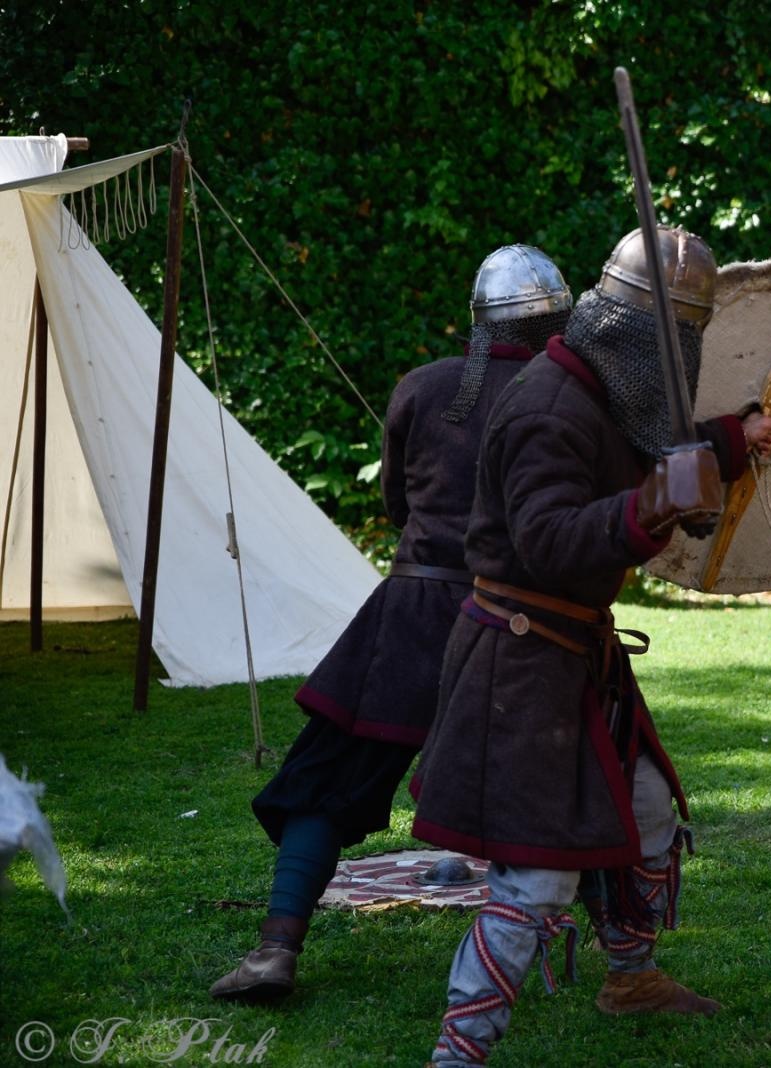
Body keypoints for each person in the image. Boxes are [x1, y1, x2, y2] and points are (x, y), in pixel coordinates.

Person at [411, 227, 771, 1066]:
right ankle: (458, 1054)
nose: (678, 361)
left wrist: (732, 437)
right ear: (633, 334)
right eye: (676, 342)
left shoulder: (603, 388)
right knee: (536, 876)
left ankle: (631, 977)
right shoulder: (549, 409)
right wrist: (653, 503)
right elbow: (548, 538)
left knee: (647, 807)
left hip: (575, 654)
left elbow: (656, 440)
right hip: (521, 660)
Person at [211, 245, 574, 1003]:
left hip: (410, 614)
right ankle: (632, 966)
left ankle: (278, 947)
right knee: (584, 779)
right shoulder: (568, 397)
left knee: (324, 782)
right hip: (520, 621)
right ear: (555, 318)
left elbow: (402, 512)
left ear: (479, 320)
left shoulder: (424, 386)